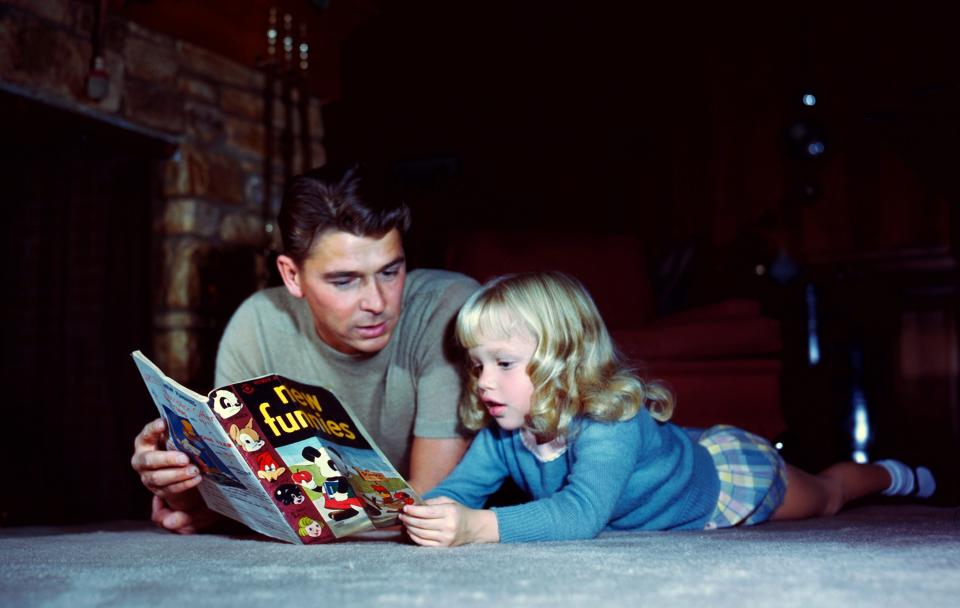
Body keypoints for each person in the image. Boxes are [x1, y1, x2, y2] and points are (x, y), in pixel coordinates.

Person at [399, 272, 936, 547]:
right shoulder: (502, 433)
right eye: (476, 366)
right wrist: (421, 512)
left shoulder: (610, 422)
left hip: (718, 484)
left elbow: (584, 515)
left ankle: (892, 476)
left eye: (505, 363)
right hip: (675, 450)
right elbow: (458, 492)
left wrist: (477, 528)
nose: (485, 381)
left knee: (826, 496)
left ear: (565, 359)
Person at [132, 164, 478, 533]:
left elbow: (428, 505)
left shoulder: (448, 311)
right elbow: (257, 491)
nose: (377, 302)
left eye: (390, 272)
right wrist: (183, 487)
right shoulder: (259, 323)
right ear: (292, 276)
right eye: (344, 281)